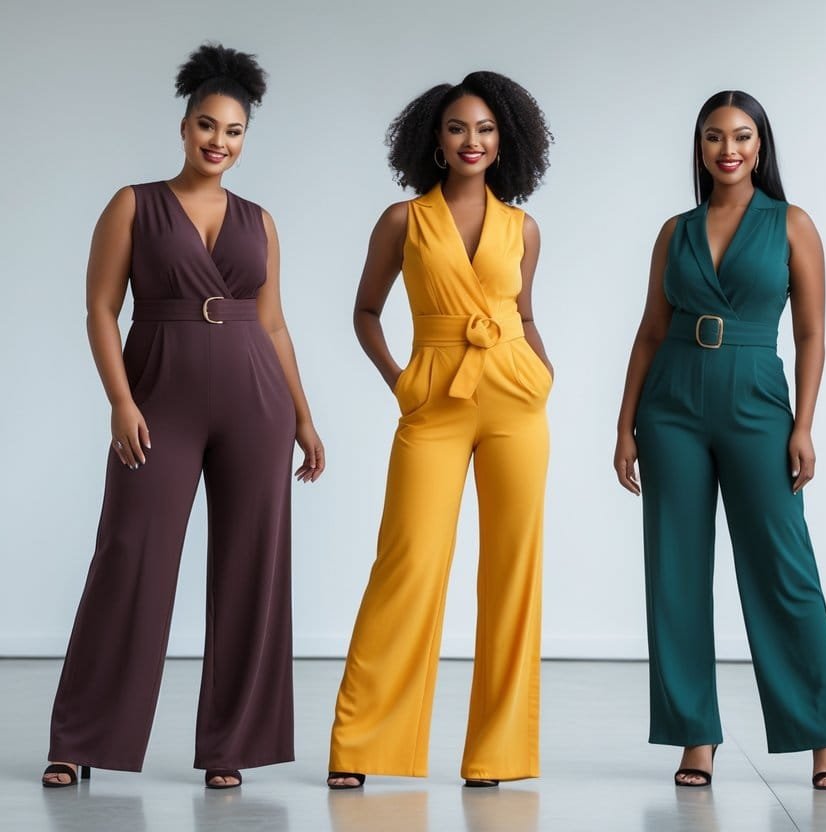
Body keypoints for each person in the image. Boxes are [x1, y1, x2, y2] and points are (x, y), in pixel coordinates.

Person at [42, 43, 325, 790]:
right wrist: (121, 400)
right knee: (130, 556)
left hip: (255, 400)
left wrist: (304, 416)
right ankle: (79, 739)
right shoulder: (134, 202)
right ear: (183, 125)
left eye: (233, 132)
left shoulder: (259, 221)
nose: (218, 142)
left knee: (252, 569)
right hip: (159, 392)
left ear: (244, 139)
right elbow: (102, 307)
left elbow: (274, 326)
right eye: (207, 125)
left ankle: (230, 748)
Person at [613, 90, 826, 790]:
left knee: (782, 569)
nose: (728, 149)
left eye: (741, 137)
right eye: (714, 137)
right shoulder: (674, 230)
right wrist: (625, 422)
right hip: (672, 401)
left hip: (755, 397)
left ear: (760, 146)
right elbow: (651, 330)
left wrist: (803, 423)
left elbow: (810, 333)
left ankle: (822, 735)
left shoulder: (791, 224)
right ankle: (694, 735)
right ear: (699, 147)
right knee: (675, 572)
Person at [326, 71, 554, 790]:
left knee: (512, 575)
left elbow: (525, 312)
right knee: (409, 563)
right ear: (434, 138)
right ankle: (362, 747)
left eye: (485, 129)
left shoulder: (523, 227)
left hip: (516, 400)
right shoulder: (403, 221)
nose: (472, 141)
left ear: (504, 140)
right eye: (458, 128)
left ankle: (495, 756)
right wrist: (401, 379)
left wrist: (543, 375)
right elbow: (365, 311)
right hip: (435, 399)